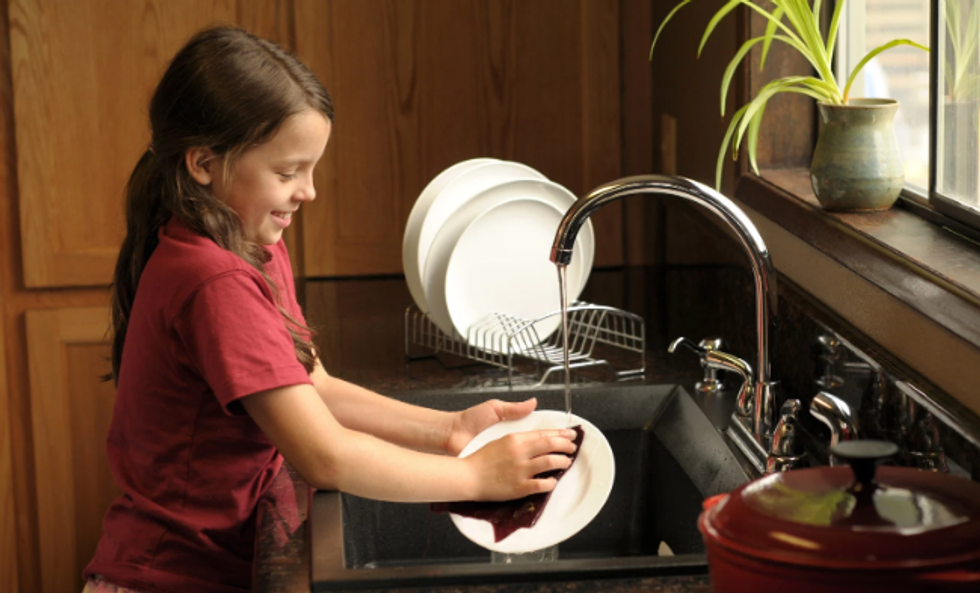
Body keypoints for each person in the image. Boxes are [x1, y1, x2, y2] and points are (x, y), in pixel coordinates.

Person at [83, 25, 577, 593]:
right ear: (203, 163)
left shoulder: (251, 243)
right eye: (288, 172)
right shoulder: (213, 280)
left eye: (311, 168)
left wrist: (448, 430)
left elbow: (312, 383)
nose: (309, 191)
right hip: (165, 578)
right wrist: (473, 476)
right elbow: (325, 456)